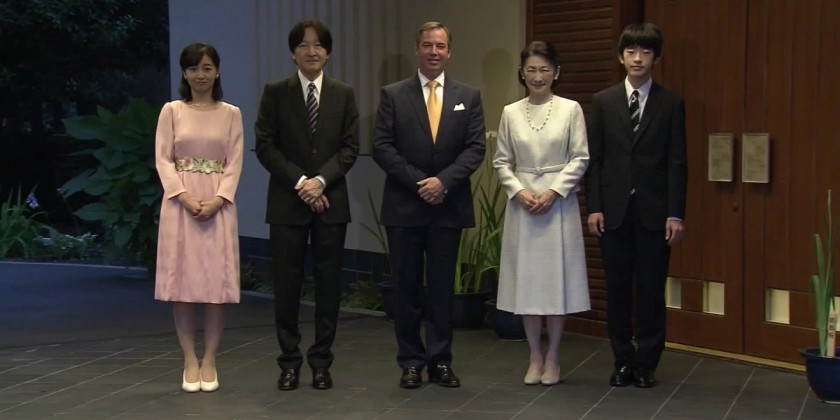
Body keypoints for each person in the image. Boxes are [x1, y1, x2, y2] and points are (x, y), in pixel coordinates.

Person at [372, 21, 486, 389]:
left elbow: (475, 148)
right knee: (406, 290)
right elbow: (382, 146)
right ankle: (410, 362)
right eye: (427, 45)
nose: (433, 52)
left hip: (448, 206)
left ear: (449, 51)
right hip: (405, 206)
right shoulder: (393, 95)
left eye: (440, 46)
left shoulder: (469, 96)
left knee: (441, 290)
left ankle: (440, 361)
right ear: (416, 49)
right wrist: (421, 182)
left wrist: (443, 182)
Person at [255, 19, 359, 391]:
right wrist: (301, 183)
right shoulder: (275, 92)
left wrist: (320, 181)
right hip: (288, 202)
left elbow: (350, 147)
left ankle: (321, 361)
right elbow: (265, 146)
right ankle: (289, 362)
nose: (311, 51)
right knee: (287, 286)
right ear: (293, 53)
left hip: (331, 201)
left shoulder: (343, 93)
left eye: (318, 45)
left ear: (327, 53)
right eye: (303, 45)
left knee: (329, 286)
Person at [585, 23, 687, 389]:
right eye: (631, 51)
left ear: (656, 58)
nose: (637, 58)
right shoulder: (603, 101)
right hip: (612, 212)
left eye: (645, 52)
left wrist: (675, 213)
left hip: (654, 213)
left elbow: (677, 162)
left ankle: (646, 362)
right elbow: (595, 160)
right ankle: (622, 360)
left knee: (650, 289)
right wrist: (594, 206)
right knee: (617, 290)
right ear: (620, 57)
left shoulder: (670, 103)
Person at [493, 41, 590, 386]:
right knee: (528, 284)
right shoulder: (510, 112)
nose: (538, 76)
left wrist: (553, 191)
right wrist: (519, 191)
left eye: (544, 70)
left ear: (556, 73)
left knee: (555, 283)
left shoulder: (570, 109)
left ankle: (554, 356)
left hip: (558, 205)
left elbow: (580, 157)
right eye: (531, 70)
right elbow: (501, 161)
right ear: (522, 73)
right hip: (523, 206)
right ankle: (534, 355)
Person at [154, 43, 244, 393]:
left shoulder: (231, 113)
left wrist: (219, 199)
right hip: (180, 204)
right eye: (193, 68)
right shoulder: (172, 111)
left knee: (214, 286)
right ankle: (189, 359)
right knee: (184, 285)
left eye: (207, 68)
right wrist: (183, 196)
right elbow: (163, 159)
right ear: (185, 73)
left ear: (217, 71)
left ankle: (210, 359)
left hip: (218, 204)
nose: (200, 75)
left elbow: (234, 162)